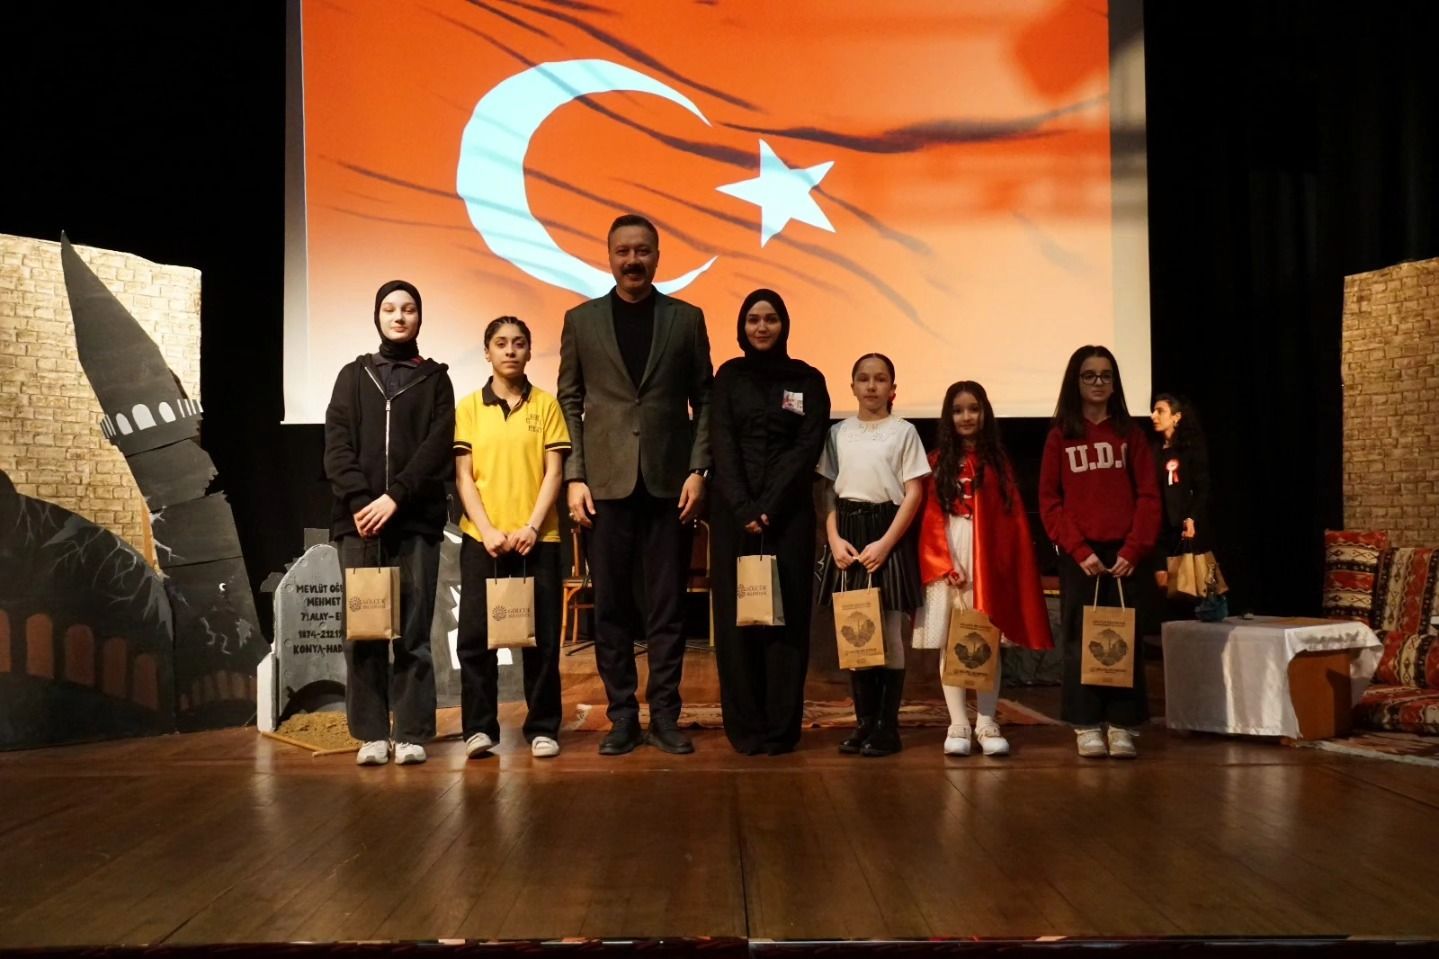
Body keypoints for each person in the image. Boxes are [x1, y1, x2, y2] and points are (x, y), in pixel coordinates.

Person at [556, 214, 713, 756]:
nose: (633, 260)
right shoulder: (581, 321)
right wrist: (575, 475)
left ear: (657, 256)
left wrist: (698, 469)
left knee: (668, 608)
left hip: (671, 484)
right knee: (611, 608)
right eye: (623, 251)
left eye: (642, 251)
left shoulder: (686, 319)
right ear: (609, 257)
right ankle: (622, 716)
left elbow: (705, 398)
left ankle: (665, 716)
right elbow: (569, 400)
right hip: (604, 486)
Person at [323, 280, 455, 767]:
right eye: (390, 309)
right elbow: (336, 444)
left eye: (409, 309)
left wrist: (395, 497)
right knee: (365, 630)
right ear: (377, 316)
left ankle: (413, 731)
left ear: (420, 317)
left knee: (414, 632)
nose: (399, 317)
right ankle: (372, 733)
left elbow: (436, 447)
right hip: (359, 522)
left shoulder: (435, 379)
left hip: (414, 519)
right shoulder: (353, 375)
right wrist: (362, 501)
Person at [709, 289, 830, 755]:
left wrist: (769, 507)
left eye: (771, 319)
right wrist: (743, 507)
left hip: (789, 518)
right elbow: (722, 441)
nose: (762, 327)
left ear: (784, 325)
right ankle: (746, 728)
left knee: (786, 620)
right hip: (733, 517)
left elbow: (806, 446)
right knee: (737, 621)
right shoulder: (728, 377)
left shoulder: (807, 380)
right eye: (753, 319)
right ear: (742, 327)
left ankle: (780, 728)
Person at [454, 317, 571, 759]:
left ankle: (542, 727)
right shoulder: (469, 407)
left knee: (542, 639)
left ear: (529, 351)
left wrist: (532, 527)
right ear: (487, 352)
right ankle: (479, 729)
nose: (509, 350)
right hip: (482, 539)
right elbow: (464, 477)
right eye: (500, 343)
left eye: (518, 343)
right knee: (475, 638)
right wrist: (487, 530)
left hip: (539, 538)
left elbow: (554, 473)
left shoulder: (547, 405)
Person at [915, 381, 1053, 757]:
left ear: (984, 413)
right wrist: (944, 563)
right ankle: (958, 722)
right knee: (952, 639)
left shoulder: (998, 463)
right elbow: (929, 518)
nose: (966, 417)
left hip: (986, 561)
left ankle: (987, 721)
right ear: (948, 416)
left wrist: (998, 564)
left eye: (973, 409)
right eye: (958, 410)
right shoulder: (935, 462)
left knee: (985, 638)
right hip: (949, 558)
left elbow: (1010, 524)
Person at [1039, 345, 1160, 760]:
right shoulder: (1061, 436)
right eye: (1089, 375)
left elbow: (1149, 496)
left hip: (1125, 555)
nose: (1098, 382)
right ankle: (1087, 724)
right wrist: (1078, 549)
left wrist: (1134, 548)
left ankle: (1123, 725)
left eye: (1105, 375)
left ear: (1114, 382)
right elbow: (1050, 501)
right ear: (1076, 381)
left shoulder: (1131, 434)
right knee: (1080, 640)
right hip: (1082, 557)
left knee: (1124, 638)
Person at [816, 354, 929, 757]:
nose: (871, 386)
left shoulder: (904, 432)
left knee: (890, 629)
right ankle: (863, 722)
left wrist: (886, 543)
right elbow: (827, 490)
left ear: (893, 388)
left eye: (880, 379)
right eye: (863, 378)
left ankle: (886, 726)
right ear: (852, 386)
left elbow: (914, 492)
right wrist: (833, 539)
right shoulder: (839, 433)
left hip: (887, 531)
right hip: (848, 532)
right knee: (855, 627)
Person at [1150, 393, 1213, 563]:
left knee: (1188, 577)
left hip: (1186, 529)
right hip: (1160, 532)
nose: (1153, 416)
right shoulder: (1153, 450)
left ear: (1176, 417)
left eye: (1160, 411)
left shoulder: (1189, 449)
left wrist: (1191, 518)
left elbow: (1202, 488)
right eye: (1153, 411)